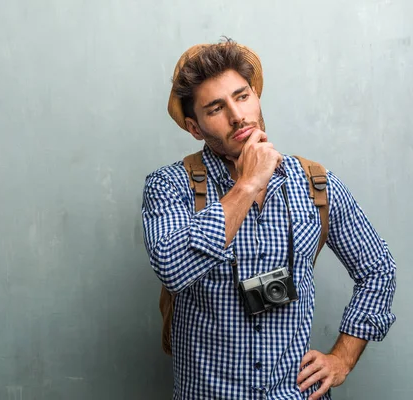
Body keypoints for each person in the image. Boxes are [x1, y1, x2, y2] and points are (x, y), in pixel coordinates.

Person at [141, 39, 396, 400]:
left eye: (242, 96)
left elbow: (378, 269)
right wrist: (248, 183)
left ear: (256, 95)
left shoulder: (314, 184)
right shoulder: (169, 185)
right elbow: (171, 268)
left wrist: (342, 358)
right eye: (216, 108)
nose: (237, 115)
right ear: (194, 127)